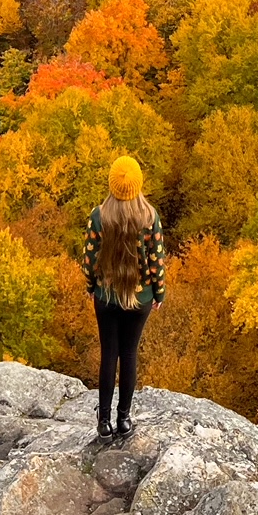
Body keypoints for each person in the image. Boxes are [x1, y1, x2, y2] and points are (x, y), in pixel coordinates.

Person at [80, 154, 165, 440]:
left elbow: (89, 259)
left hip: (106, 297)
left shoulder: (99, 216)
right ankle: (124, 420)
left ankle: (104, 423)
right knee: (129, 355)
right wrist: (159, 292)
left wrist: (91, 287)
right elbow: (157, 261)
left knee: (109, 355)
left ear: (113, 184)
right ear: (137, 184)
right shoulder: (150, 216)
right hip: (140, 300)